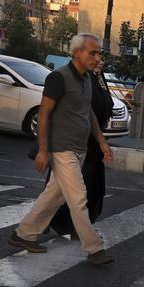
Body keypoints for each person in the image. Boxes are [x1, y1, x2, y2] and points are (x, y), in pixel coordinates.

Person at [7, 33, 114, 265]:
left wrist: (102, 141)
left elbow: (89, 113)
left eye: (99, 54)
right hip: (62, 149)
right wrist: (44, 150)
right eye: (92, 52)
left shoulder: (87, 79)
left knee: (53, 197)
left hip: (79, 149)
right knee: (78, 198)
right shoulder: (59, 78)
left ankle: (22, 235)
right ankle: (95, 249)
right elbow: (44, 113)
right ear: (77, 52)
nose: (97, 58)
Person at [49, 69, 112, 238]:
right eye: (95, 54)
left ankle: (26, 231)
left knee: (61, 191)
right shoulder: (78, 78)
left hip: (91, 143)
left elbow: (102, 106)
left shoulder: (97, 78)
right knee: (77, 192)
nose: (100, 60)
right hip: (74, 142)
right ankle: (85, 236)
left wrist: (101, 141)